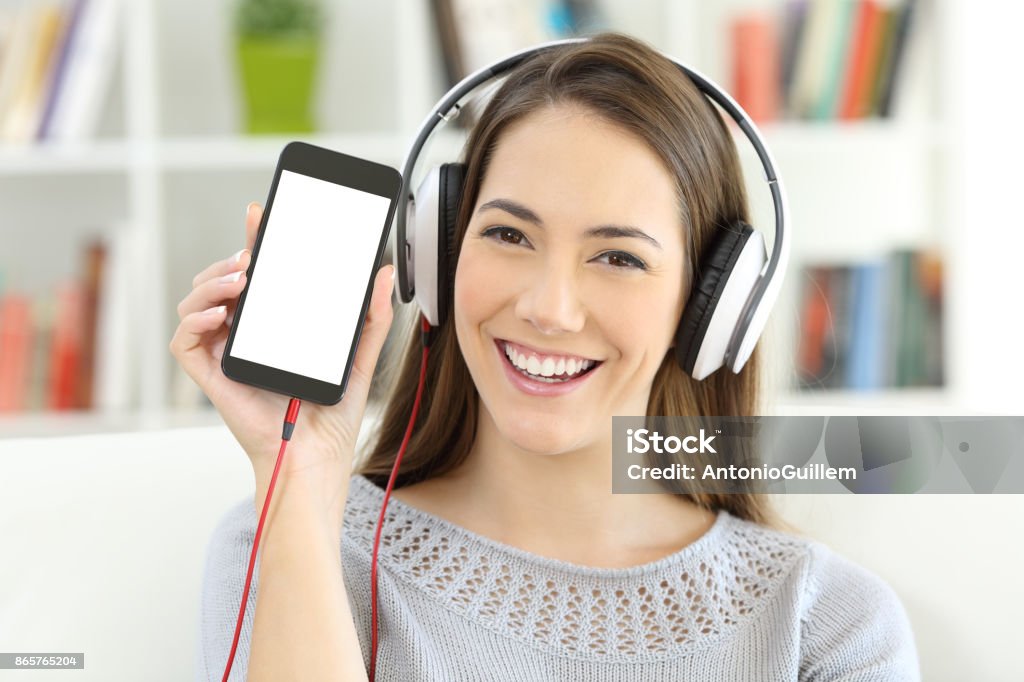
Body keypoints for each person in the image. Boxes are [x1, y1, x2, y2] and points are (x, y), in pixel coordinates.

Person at [172, 32, 919, 681]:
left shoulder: (827, 626)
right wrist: (298, 480)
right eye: (508, 235)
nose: (548, 309)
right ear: (440, 254)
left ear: (711, 311)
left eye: (619, 257)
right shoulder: (283, 541)